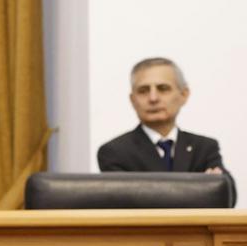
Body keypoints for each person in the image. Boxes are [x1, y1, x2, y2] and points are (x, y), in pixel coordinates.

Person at [97, 58, 226, 174]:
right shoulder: (115, 152)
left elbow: (226, 188)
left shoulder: (204, 148)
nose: (153, 98)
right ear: (132, 100)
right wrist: (203, 187)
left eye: (163, 88)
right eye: (143, 91)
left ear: (184, 95)